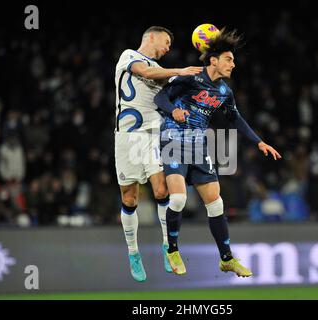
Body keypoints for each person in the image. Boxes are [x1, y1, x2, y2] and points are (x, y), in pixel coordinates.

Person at [154, 29, 282, 276]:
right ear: (214, 60)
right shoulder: (191, 77)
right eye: (229, 59)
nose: (233, 64)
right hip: (174, 138)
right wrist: (173, 111)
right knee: (178, 199)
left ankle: (226, 259)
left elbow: (236, 119)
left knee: (216, 204)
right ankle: (171, 249)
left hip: (199, 144)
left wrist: (258, 142)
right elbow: (160, 98)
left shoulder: (224, 92)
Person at [114, 26, 203, 282]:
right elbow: (145, 72)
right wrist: (179, 70)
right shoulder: (129, 56)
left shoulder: (161, 72)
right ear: (150, 37)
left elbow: (175, 87)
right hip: (127, 137)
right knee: (130, 198)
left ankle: (168, 247)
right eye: (165, 42)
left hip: (155, 132)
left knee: (162, 190)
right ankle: (133, 252)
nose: (167, 48)